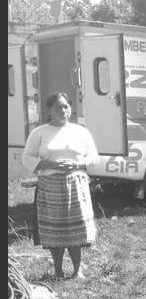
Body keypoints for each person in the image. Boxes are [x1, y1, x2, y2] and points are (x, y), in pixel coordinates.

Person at [22, 92, 99, 280]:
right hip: (50, 186)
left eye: (66, 106)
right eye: (58, 107)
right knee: (54, 231)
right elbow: (27, 158)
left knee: (76, 229)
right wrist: (50, 165)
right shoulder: (39, 132)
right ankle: (57, 271)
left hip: (76, 185)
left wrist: (78, 165)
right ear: (49, 110)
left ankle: (76, 270)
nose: (63, 110)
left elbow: (94, 157)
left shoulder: (80, 132)